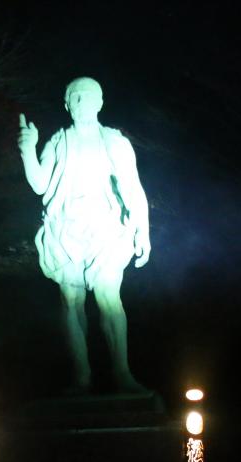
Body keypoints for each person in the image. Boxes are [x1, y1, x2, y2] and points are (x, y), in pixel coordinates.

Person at [19, 77, 151, 394]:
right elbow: (39, 184)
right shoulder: (58, 141)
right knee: (70, 300)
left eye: (87, 97)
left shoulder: (114, 142)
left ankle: (122, 373)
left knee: (109, 297)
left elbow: (133, 188)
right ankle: (81, 376)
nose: (81, 103)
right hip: (67, 230)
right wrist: (27, 150)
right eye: (75, 98)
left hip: (106, 229)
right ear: (67, 105)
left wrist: (143, 229)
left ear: (100, 102)